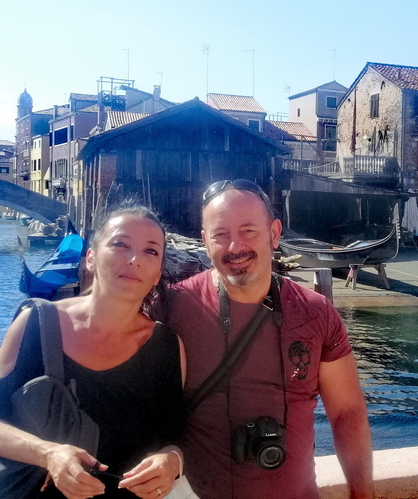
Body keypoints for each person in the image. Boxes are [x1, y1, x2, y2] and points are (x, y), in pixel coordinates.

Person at [164, 179, 373, 499]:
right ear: (205, 242)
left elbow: (346, 412)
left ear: (274, 233)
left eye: (248, 230)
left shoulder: (316, 313)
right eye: (221, 235)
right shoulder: (174, 308)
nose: (235, 247)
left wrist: (362, 494)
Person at [0, 204, 187, 498]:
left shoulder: (166, 346)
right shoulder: (35, 323)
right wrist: (47, 453)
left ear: (157, 274)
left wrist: (172, 461)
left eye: (151, 251)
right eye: (120, 244)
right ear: (91, 258)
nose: (135, 259)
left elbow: (173, 438)